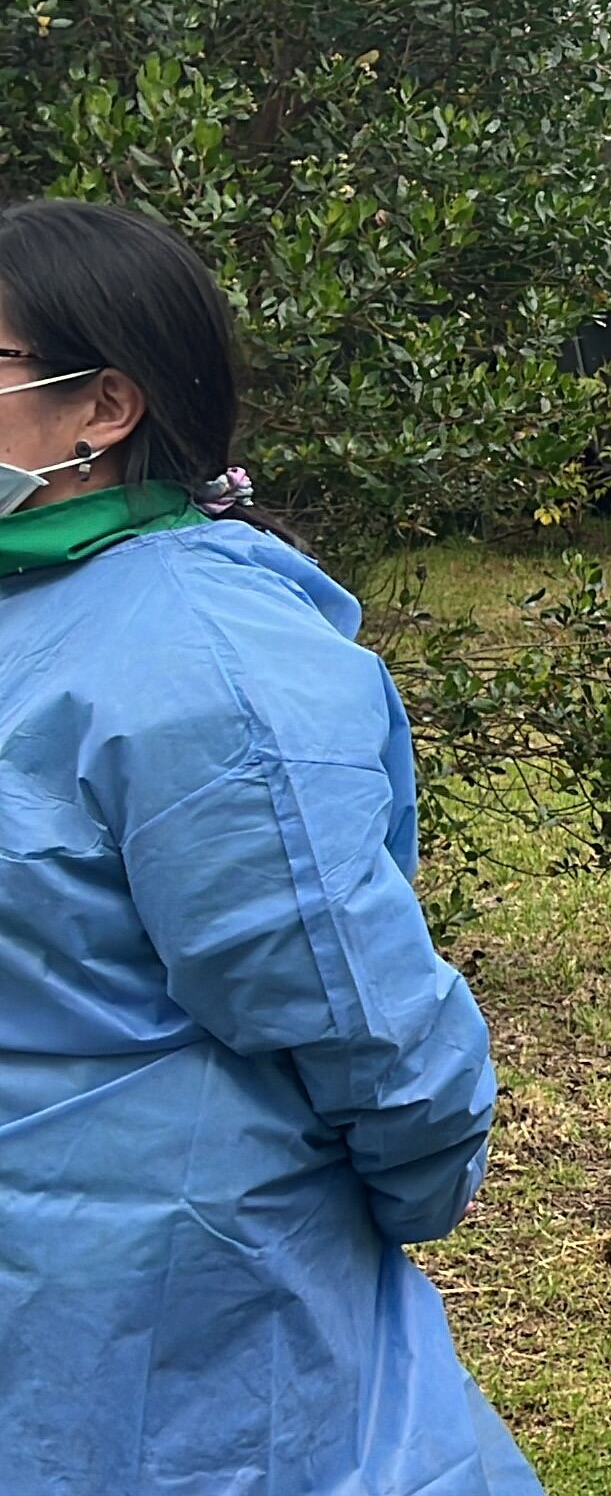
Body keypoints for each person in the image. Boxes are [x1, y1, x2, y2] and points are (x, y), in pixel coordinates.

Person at [0, 200, 534, 1493]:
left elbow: (362, 1022)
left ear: (102, 408)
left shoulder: (206, 667)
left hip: (191, 1337)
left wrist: (396, 1189)